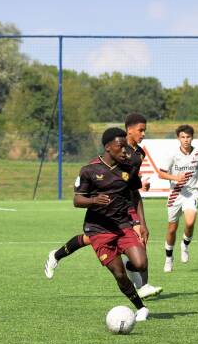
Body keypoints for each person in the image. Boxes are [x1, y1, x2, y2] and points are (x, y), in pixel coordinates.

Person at [45, 113, 163, 299]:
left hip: (126, 206)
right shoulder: (99, 162)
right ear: (129, 130)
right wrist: (96, 199)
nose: (143, 134)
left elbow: (131, 184)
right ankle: (56, 255)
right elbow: (90, 188)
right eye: (141, 130)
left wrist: (141, 219)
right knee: (92, 239)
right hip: (105, 211)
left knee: (138, 241)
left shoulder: (139, 154)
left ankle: (142, 286)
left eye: (144, 130)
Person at [73, 127, 150, 321]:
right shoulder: (89, 170)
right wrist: (93, 200)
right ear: (108, 147)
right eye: (120, 146)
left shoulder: (129, 168)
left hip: (123, 225)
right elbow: (77, 200)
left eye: (126, 147)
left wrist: (140, 223)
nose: (124, 151)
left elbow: (135, 195)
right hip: (98, 229)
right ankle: (141, 308)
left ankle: (127, 259)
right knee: (119, 274)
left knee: (141, 264)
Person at [157, 125, 198, 272]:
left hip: (192, 193)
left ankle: (185, 245)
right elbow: (161, 174)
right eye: (183, 137)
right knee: (172, 229)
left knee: (190, 222)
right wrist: (176, 178)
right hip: (175, 194)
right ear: (178, 138)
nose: (186, 140)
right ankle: (169, 258)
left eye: (188, 137)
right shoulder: (172, 155)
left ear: (192, 138)